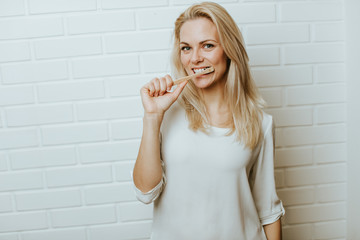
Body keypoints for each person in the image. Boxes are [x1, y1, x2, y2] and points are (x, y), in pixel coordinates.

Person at [132, 2, 285, 239]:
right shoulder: (165, 114)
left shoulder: (260, 123)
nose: (195, 58)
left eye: (208, 46)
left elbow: (268, 210)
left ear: (229, 50)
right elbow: (145, 192)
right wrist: (152, 117)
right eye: (186, 48)